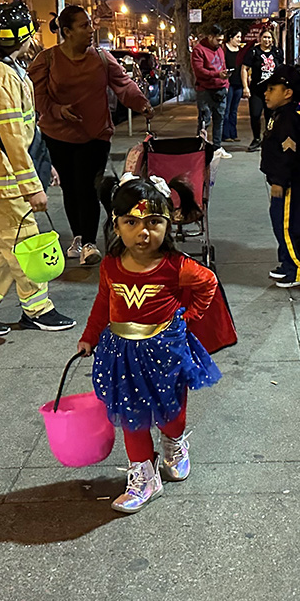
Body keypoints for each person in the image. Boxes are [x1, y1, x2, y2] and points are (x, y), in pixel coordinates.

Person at [79, 175, 235, 513]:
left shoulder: (176, 267)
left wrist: (189, 316)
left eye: (153, 222)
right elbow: (103, 304)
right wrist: (90, 336)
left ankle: (174, 442)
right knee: (132, 416)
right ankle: (143, 476)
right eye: (131, 222)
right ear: (116, 224)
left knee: (172, 413)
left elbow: (208, 282)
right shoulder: (110, 266)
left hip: (166, 353)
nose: (142, 232)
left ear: (169, 223)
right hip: (121, 354)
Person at [0, 0, 76, 335]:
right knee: (24, 244)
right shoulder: (1, 75)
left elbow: (23, 130)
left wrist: (41, 166)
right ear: (23, 38)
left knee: (9, 242)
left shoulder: (3, 69)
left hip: (3, 171)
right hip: (2, 175)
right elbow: (11, 136)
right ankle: (38, 309)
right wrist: (31, 184)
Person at [29, 5, 152, 266]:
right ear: (66, 32)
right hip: (58, 135)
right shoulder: (47, 60)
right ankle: (78, 238)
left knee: (88, 187)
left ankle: (89, 243)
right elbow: (36, 96)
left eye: (90, 24)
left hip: (96, 136)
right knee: (71, 189)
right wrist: (58, 110)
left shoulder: (102, 58)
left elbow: (123, 85)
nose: (91, 30)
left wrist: (142, 103)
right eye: (84, 25)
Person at [260, 65, 300, 287]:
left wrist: (279, 181)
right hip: (281, 181)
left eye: (272, 89)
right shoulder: (278, 115)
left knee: (288, 227)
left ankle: (298, 269)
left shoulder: (288, 118)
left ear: (287, 93)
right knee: (280, 224)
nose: (266, 93)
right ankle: (287, 263)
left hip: (288, 183)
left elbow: (288, 154)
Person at [191, 23, 232, 159]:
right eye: (218, 40)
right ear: (210, 37)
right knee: (204, 120)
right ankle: (200, 147)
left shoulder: (220, 49)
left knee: (219, 119)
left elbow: (223, 65)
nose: (220, 43)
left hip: (221, 88)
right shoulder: (199, 50)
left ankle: (217, 147)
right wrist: (217, 74)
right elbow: (199, 71)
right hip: (205, 90)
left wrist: (226, 83)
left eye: (221, 40)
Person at [243, 28, 279, 152]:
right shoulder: (253, 52)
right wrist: (245, 87)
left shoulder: (277, 52)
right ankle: (256, 138)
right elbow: (244, 68)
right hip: (257, 90)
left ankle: (269, 139)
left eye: (269, 37)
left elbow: (281, 69)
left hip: (273, 91)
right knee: (255, 114)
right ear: (260, 38)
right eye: (264, 37)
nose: (267, 40)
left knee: (271, 116)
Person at [221, 28, 244, 143]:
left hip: (238, 83)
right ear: (231, 37)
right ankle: (225, 134)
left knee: (234, 110)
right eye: (237, 37)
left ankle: (233, 134)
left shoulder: (240, 51)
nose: (239, 40)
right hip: (228, 83)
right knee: (227, 109)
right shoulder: (224, 49)